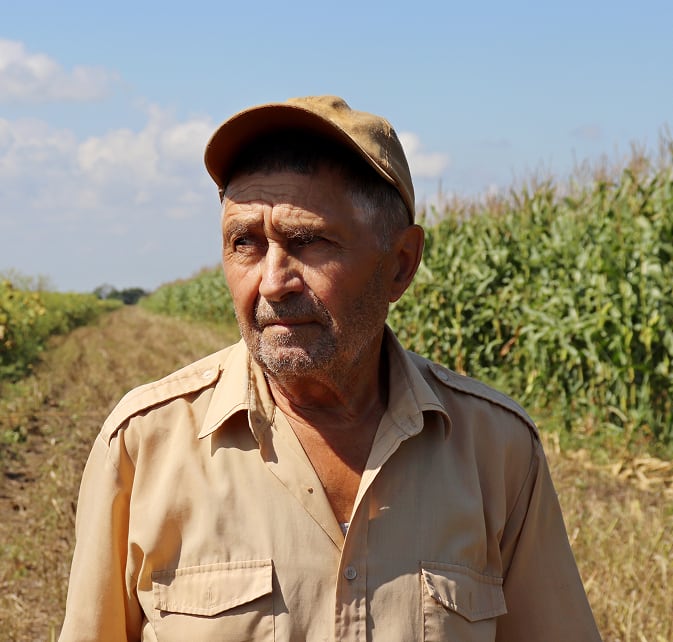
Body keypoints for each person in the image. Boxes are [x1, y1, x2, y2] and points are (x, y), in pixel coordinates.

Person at [60, 95, 601, 641]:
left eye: (309, 241)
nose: (272, 282)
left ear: (400, 265)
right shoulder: (143, 444)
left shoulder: (497, 450)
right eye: (244, 242)